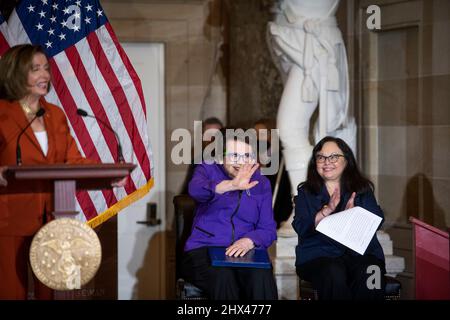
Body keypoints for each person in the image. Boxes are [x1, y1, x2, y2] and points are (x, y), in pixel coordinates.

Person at [0, 44, 119, 299]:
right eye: (35, 69)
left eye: (46, 68)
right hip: (10, 220)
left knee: (54, 294)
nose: (44, 75)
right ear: (16, 73)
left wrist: (108, 175)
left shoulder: (55, 114)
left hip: (53, 222)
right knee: (11, 293)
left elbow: (72, 160)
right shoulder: (2, 114)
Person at [267, 0, 356, 236]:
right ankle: (309, 206)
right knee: (294, 129)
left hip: (313, 48)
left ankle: (306, 208)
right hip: (302, 45)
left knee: (289, 129)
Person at [181, 130, 278, 300]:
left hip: (245, 251)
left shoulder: (261, 183)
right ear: (220, 157)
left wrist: (250, 240)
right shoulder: (207, 168)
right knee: (224, 277)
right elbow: (195, 190)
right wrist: (231, 185)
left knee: (261, 277)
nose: (241, 162)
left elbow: (268, 229)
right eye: (234, 155)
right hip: (204, 248)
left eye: (247, 156)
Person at [293, 136, 386, 300]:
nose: (327, 162)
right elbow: (301, 226)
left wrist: (353, 215)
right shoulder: (305, 192)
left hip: (361, 254)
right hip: (319, 255)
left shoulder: (362, 189)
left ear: (347, 160)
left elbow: (377, 220)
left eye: (334, 157)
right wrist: (326, 211)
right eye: (321, 157)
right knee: (333, 271)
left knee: (373, 271)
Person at [253, 119, 292, 228]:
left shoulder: (280, 159)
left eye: (261, 134)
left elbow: (282, 190)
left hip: (275, 211)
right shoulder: (251, 154)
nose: (256, 137)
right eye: (254, 133)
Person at [180, 117, 224, 194]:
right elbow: (187, 191)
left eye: (217, 134)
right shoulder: (198, 161)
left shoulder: (232, 158)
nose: (212, 138)